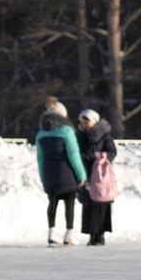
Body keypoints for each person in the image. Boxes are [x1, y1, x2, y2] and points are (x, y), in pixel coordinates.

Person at [35, 97, 86, 246]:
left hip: (49, 174)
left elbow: (40, 159)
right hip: (67, 174)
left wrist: (43, 177)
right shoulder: (67, 131)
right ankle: (69, 234)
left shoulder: (41, 134)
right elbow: (74, 155)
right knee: (69, 203)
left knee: (53, 203)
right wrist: (81, 175)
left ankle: (52, 232)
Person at [76, 109, 118, 246]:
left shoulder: (104, 134)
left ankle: (99, 234)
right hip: (85, 172)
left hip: (100, 174)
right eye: (82, 121)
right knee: (88, 204)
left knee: (100, 203)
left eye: (86, 121)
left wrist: (98, 157)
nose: (84, 124)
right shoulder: (79, 135)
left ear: (94, 121)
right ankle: (92, 234)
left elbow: (112, 151)